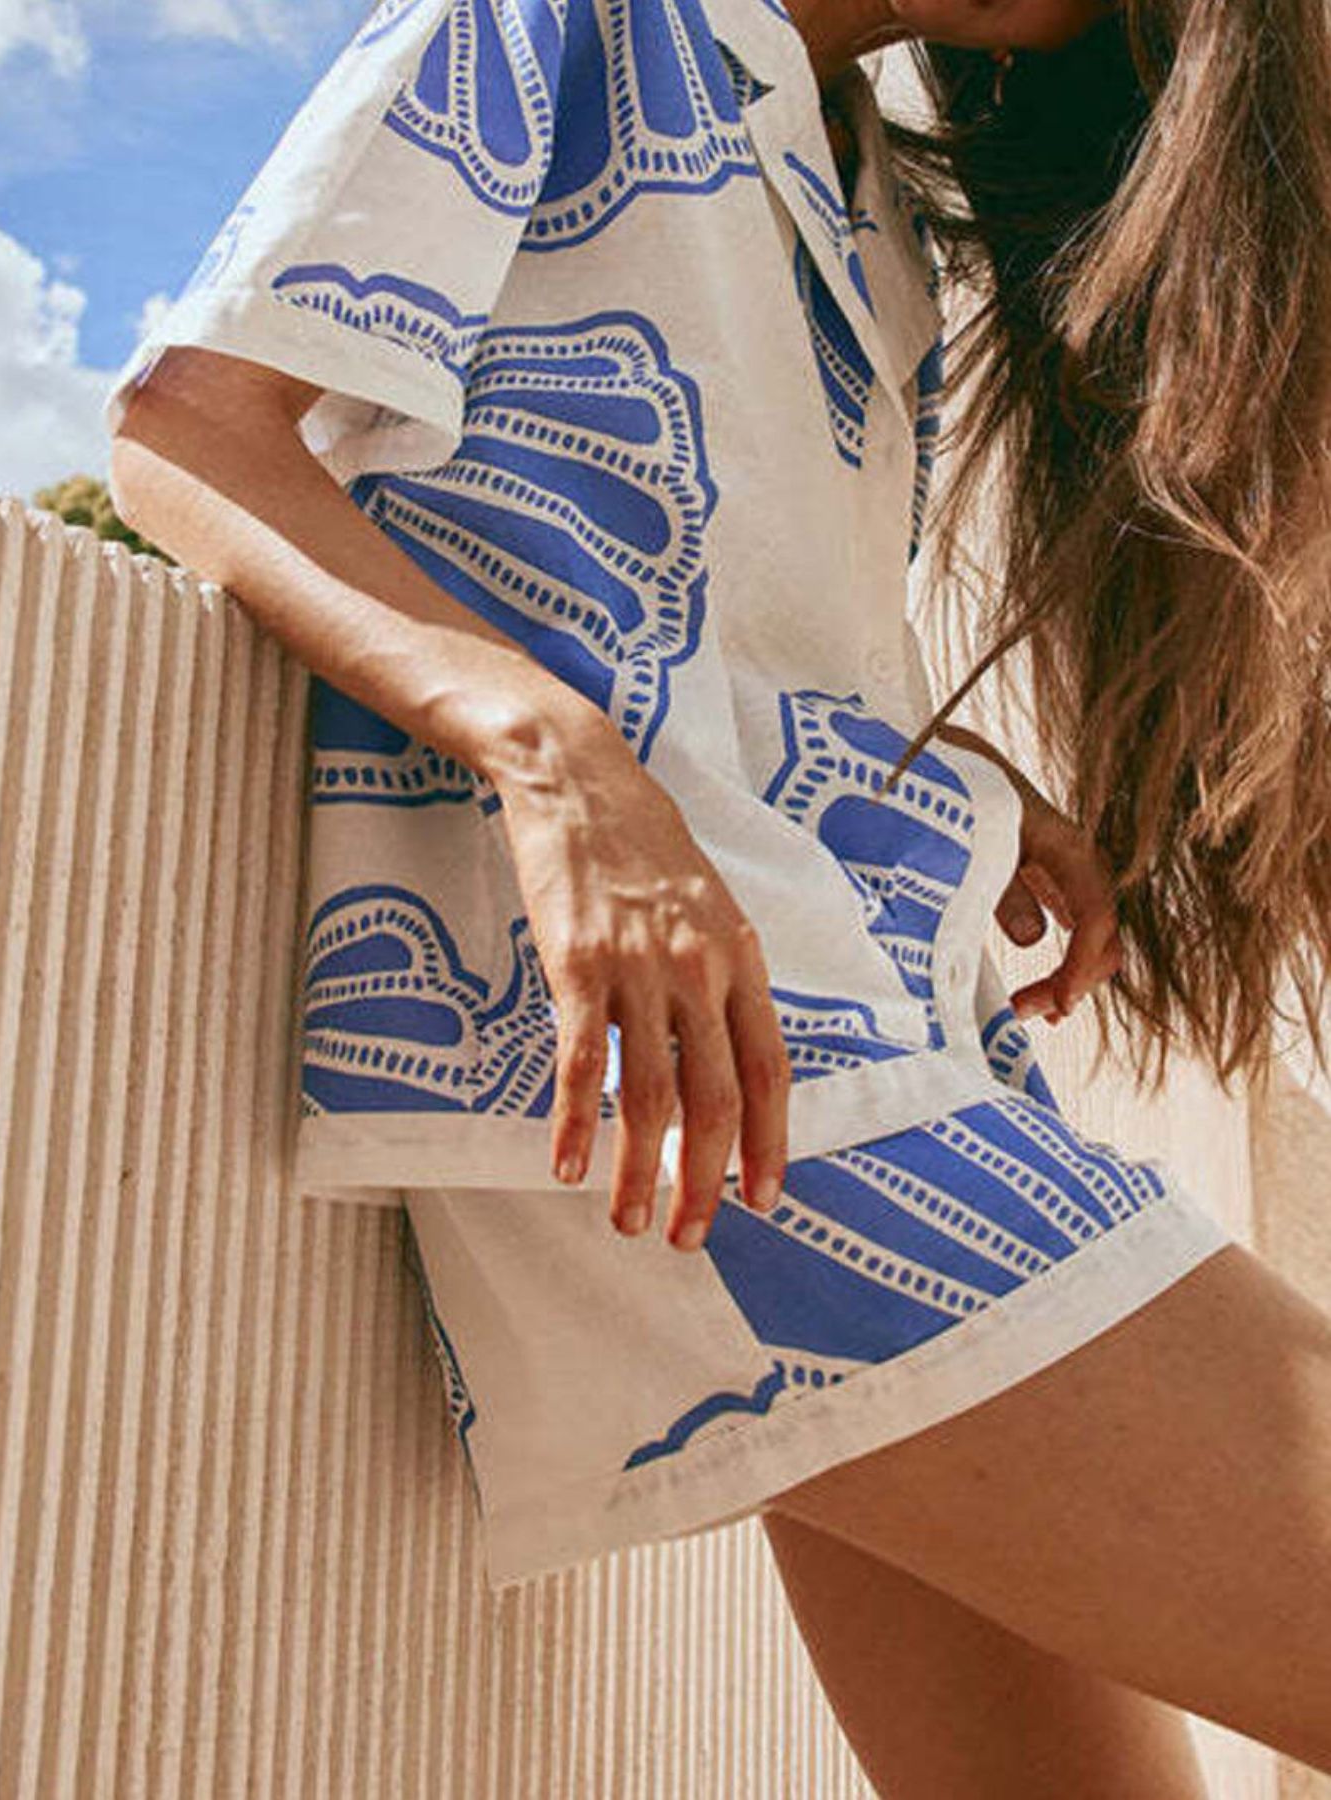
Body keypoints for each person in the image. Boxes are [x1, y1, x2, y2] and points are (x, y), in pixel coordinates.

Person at [104, 0, 1331, 1788]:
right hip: (718, 1086)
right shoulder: (570, 20)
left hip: (868, 1028)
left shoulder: (875, 202)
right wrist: (548, 748)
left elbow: (725, 621)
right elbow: (190, 429)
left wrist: (951, 777)